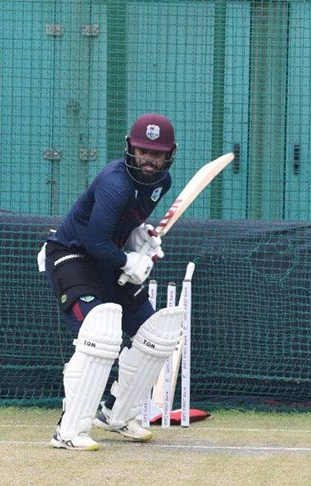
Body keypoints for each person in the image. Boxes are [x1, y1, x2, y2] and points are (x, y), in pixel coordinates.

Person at [37, 114, 186, 450]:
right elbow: (94, 241)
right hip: (72, 255)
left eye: (158, 153)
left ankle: (117, 415)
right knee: (98, 333)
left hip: (106, 259)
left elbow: (123, 223)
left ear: (170, 154)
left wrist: (140, 237)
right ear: (130, 147)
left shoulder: (162, 183)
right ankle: (68, 431)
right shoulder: (114, 182)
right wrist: (129, 260)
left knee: (157, 333)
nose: (150, 159)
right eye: (143, 151)